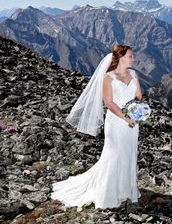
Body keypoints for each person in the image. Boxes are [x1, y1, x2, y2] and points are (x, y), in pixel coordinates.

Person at [50, 44, 143, 210]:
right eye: (130, 56)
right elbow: (108, 103)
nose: (133, 59)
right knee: (114, 155)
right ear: (121, 58)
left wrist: (136, 111)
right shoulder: (108, 77)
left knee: (129, 153)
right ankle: (108, 193)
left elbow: (138, 95)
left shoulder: (134, 74)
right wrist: (126, 117)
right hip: (116, 123)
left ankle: (125, 190)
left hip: (132, 123)